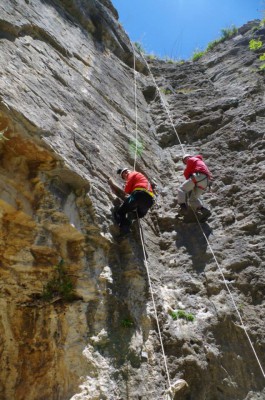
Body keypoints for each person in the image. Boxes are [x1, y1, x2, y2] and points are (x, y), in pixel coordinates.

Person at [110, 168, 155, 235]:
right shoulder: (142, 179)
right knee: (140, 214)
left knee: (121, 211)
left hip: (139, 195)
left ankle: (125, 229)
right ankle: (131, 216)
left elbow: (126, 190)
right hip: (149, 201)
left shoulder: (132, 174)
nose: (126, 177)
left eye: (124, 176)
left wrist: (125, 186)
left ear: (126, 172)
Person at [178, 154, 212, 220]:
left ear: (189, 157)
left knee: (181, 189)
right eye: (185, 161)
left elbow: (187, 173)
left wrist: (188, 177)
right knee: (192, 199)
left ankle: (183, 207)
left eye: (185, 159)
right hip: (205, 182)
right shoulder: (200, 162)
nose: (186, 161)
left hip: (198, 177)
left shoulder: (191, 159)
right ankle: (204, 211)